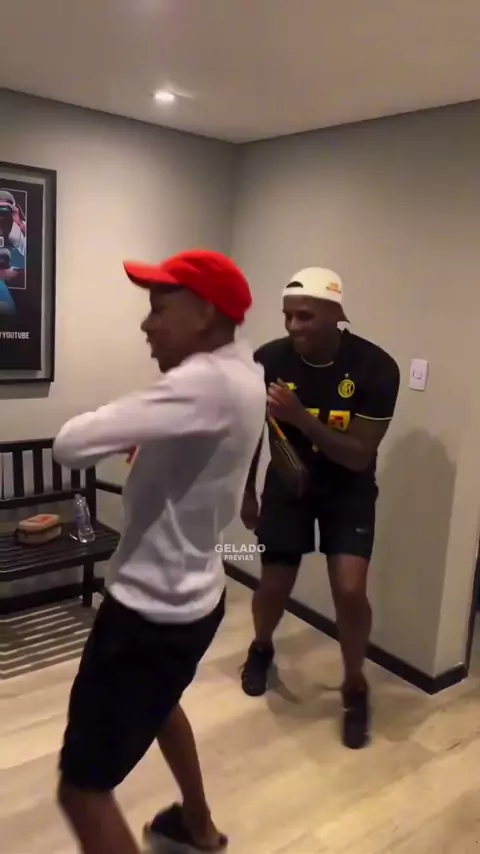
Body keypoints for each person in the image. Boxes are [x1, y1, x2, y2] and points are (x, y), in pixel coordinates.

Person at [53, 249, 266, 854]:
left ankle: (196, 826)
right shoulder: (245, 371)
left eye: (158, 308)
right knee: (162, 701)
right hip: (197, 598)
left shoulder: (201, 382)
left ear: (204, 312)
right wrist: (157, 438)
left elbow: (70, 444)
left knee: (82, 790)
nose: (146, 325)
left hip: (146, 613)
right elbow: (207, 440)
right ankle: (198, 827)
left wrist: (136, 424)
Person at [240, 267, 400, 750]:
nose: (293, 326)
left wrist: (299, 417)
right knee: (274, 584)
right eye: (287, 316)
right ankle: (261, 647)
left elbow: (358, 454)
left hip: (347, 490)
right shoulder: (269, 359)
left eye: (305, 316)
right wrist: (246, 491)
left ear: (335, 314)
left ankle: (355, 686)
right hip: (287, 486)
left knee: (349, 591)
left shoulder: (376, 368)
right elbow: (252, 431)